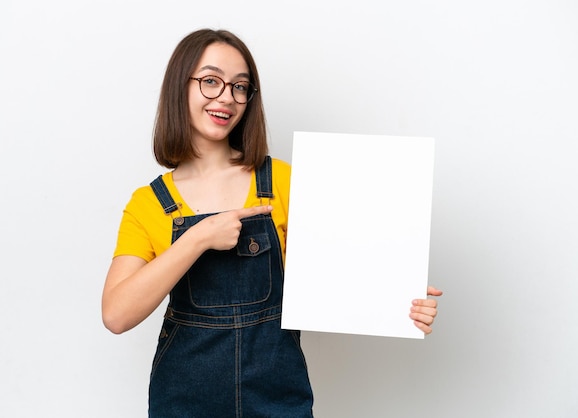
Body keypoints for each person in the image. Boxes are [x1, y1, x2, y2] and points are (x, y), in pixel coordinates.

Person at [101, 28, 443, 418]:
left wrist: (398, 296)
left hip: (277, 398)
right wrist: (196, 239)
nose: (227, 98)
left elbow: (336, 274)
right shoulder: (148, 204)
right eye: (211, 81)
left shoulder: (283, 181)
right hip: (184, 401)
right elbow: (116, 314)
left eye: (240, 87)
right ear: (180, 86)